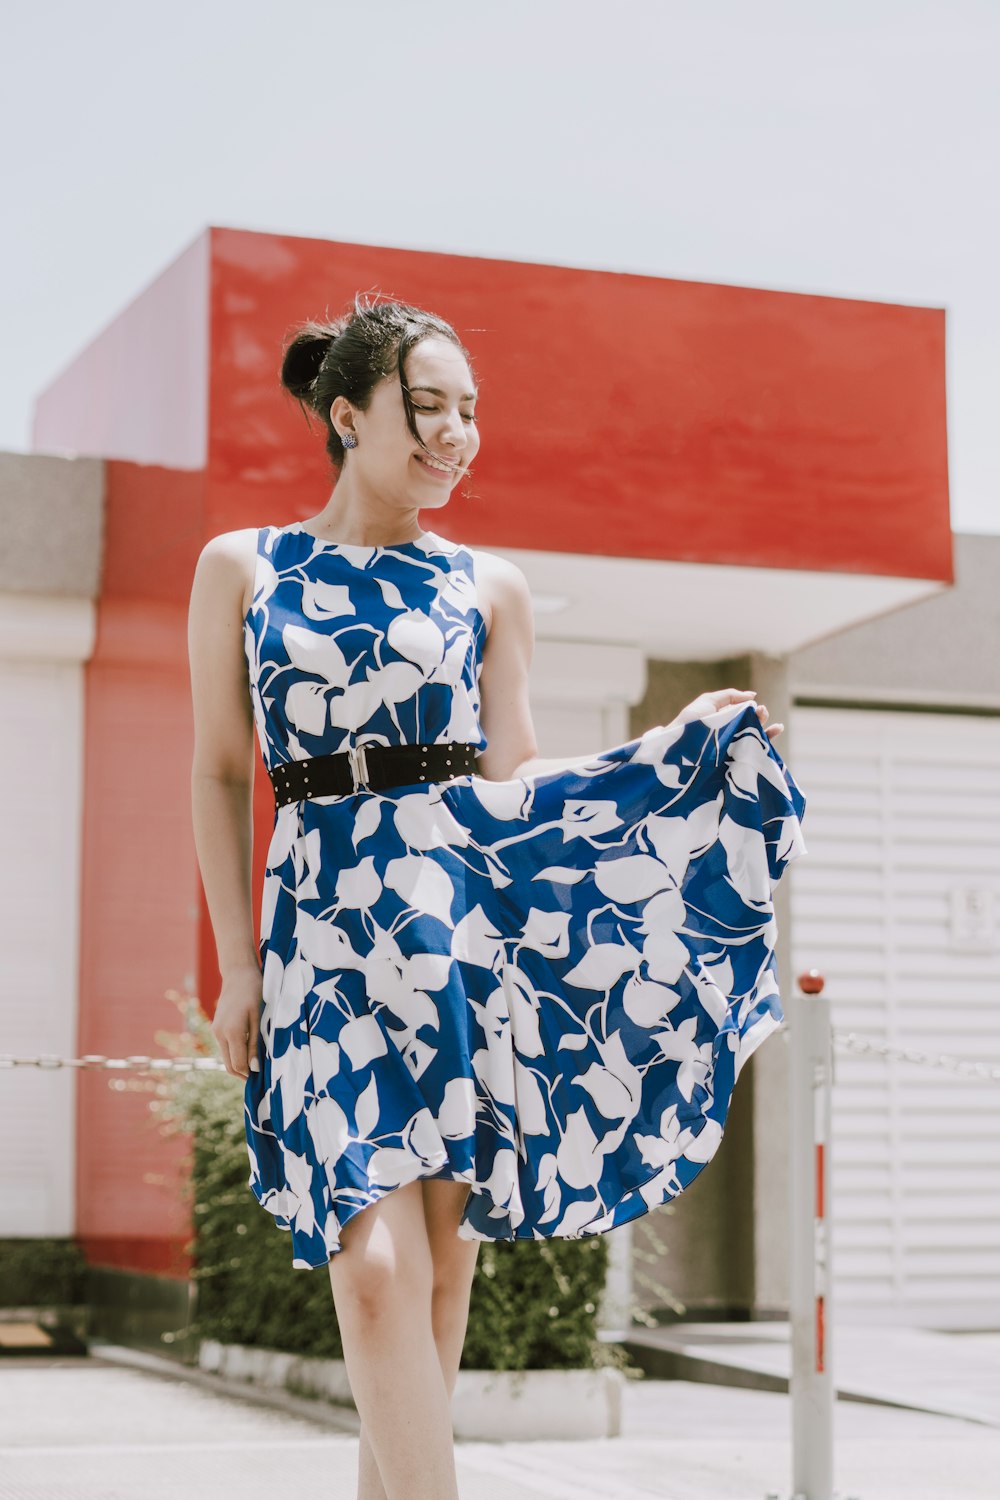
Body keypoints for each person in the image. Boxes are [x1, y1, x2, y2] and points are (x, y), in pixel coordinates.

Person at [186, 293, 806, 1500]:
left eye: (470, 413)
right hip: (318, 930)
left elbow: (514, 783)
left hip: (459, 935)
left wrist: (668, 745)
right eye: (428, 409)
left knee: (440, 1278)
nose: (456, 435)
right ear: (345, 413)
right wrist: (237, 964)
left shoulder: (488, 587)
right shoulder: (245, 567)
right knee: (372, 1274)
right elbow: (217, 770)